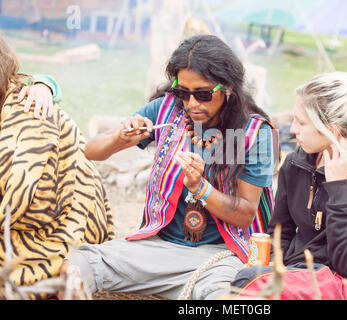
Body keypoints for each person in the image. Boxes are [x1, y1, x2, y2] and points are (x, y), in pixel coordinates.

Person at [64, 34, 276, 300]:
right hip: (157, 249)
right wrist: (121, 138)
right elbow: (92, 150)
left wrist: (200, 187)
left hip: (223, 255)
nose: (191, 104)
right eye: (182, 92)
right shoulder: (166, 111)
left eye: (202, 94)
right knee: (77, 266)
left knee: (223, 298)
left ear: (228, 87)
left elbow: (244, 214)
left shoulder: (254, 133)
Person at [232, 71, 347, 300]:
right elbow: (279, 234)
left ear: (331, 131)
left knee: (256, 286)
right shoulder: (295, 164)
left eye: (301, 122)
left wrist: (338, 188)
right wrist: (275, 267)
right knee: (249, 280)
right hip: (300, 273)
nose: (293, 130)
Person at [0, 36, 114, 298]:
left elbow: (24, 200)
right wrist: (45, 82)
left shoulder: (26, 109)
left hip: (61, 225)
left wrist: (45, 84)